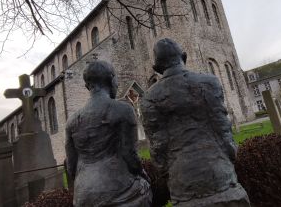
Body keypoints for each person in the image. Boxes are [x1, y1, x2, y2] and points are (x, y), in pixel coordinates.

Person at [141, 38, 250, 207]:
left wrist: (171, 173)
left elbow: (158, 149)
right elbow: (224, 129)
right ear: (183, 57)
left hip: (183, 181)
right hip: (220, 174)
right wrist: (228, 160)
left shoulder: (149, 98)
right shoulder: (210, 82)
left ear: (156, 68)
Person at [65, 61, 152, 207]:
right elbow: (130, 155)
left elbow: (71, 166)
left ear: (87, 86)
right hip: (117, 191)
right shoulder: (123, 110)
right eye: (116, 79)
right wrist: (144, 174)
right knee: (145, 189)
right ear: (112, 80)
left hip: (83, 195)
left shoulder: (71, 121)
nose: (118, 84)